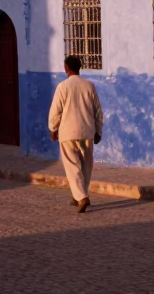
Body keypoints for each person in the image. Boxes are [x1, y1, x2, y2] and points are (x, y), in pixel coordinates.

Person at [48, 54, 104, 213]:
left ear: (66, 68)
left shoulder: (62, 87)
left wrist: (53, 128)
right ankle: (78, 195)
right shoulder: (89, 85)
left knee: (72, 166)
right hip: (87, 130)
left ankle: (82, 197)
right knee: (86, 164)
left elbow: (56, 111)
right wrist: (98, 130)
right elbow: (98, 111)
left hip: (68, 132)